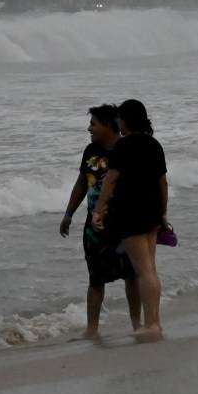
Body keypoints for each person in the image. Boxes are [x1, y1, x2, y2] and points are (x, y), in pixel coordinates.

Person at [59, 104, 141, 338]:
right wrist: (68, 214)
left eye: (93, 123)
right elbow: (82, 182)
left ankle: (137, 324)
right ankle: (92, 329)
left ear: (108, 125)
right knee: (95, 278)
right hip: (94, 227)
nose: (89, 128)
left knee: (132, 276)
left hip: (125, 223)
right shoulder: (91, 150)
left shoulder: (127, 149)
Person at [92, 99, 167, 342]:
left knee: (143, 270)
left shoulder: (124, 146)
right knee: (151, 269)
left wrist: (98, 209)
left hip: (131, 213)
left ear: (126, 119)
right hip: (152, 211)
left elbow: (111, 179)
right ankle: (154, 322)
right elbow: (162, 182)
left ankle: (152, 324)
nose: (118, 123)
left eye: (120, 119)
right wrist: (163, 212)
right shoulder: (154, 145)